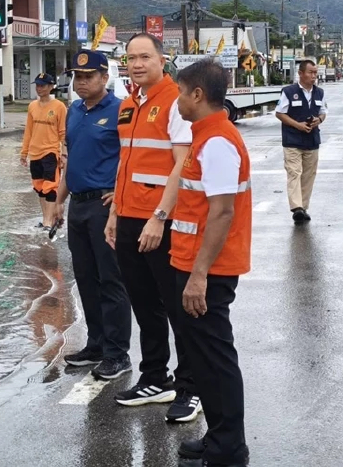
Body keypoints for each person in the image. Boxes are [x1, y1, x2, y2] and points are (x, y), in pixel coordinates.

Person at [105, 33, 200, 422]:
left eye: (145, 56)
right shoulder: (128, 104)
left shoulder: (175, 103)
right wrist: (114, 215)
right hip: (127, 218)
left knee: (177, 308)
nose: (137, 64)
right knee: (145, 306)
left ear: (163, 60)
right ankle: (154, 377)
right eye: (131, 58)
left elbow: (182, 164)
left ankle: (191, 387)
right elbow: (124, 162)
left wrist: (160, 217)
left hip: (160, 221)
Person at [169, 59, 253, 467]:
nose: (178, 100)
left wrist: (198, 275)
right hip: (191, 262)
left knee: (215, 358)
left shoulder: (217, 141)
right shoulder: (204, 135)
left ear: (198, 95)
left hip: (209, 269)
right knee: (202, 356)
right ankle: (219, 435)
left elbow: (221, 213)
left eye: (181, 92)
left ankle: (229, 448)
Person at [55, 50, 132, 380]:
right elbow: (72, 158)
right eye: (77, 77)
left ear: (105, 78)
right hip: (78, 206)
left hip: (104, 208)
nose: (81, 82)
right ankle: (96, 344)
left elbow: (132, 157)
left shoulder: (120, 110)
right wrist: (59, 201)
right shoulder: (74, 111)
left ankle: (118, 353)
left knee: (110, 281)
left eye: (88, 76)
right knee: (85, 279)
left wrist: (120, 193)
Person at [275, 59, 327, 223]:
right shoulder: (289, 92)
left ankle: (303, 208)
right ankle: (296, 207)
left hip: (312, 141)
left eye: (315, 73)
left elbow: (323, 112)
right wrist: (297, 125)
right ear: (301, 73)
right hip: (292, 141)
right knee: (294, 173)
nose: (314, 76)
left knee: (308, 175)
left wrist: (319, 119)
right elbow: (280, 113)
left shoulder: (319, 93)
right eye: (310, 72)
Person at [20, 73, 67, 239]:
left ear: (51, 86)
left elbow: (63, 133)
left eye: (43, 85)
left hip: (51, 152)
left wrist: (64, 155)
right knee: (39, 188)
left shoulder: (59, 107)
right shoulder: (32, 106)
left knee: (50, 188)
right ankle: (45, 219)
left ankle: (48, 222)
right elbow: (29, 131)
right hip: (35, 153)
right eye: (38, 85)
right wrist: (24, 152)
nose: (40, 88)